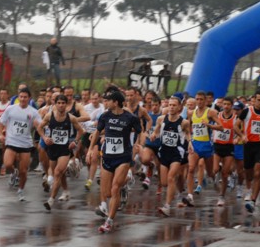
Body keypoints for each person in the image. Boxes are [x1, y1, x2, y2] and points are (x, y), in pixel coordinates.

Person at [88, 90, 143, 233]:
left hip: (123, 157)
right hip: (107, 156)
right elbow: (96, 132)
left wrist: (138, 145)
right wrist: (90, 149)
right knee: (106, 193)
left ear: (116, 102)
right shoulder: (104, 116)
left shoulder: (130, 117)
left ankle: (109, 221)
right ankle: (126, 181)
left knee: (114, 189)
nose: (105, 103)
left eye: (108, 100)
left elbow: (139, 131)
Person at [40, 94, 84, 210]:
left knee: (58, 172)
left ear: (66, 105)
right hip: (53, 148)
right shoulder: (50, 116)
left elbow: (81, 131)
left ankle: (51, 200)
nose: (60, 105)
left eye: (63, 103)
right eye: (58, 103)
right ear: (55, 104)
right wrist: (45, 138)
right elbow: (39, 127)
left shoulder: (71, 118)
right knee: (58, 173)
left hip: (64, 150)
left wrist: (75, 141)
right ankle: (66, 191)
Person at [0, 87, 42, 201]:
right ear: (18, 97)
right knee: (7, 164)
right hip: (12, 141)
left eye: (25, 97)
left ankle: (21, 190)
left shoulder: (33, 112)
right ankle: (14, 172)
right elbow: (1, 122)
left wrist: (40, 127)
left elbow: (41, 125)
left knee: (24, 171)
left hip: (25, 144)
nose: (23, 99)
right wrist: (1, 135)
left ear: (29, 98)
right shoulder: (11, 109)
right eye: (21, 97)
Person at [152, 96, 191, 217]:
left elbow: (188, 134)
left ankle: (167, 206)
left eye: (174, 105)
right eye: (170, 105)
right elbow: (157, 130)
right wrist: (154, 134)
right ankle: (178, 193)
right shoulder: (161, 119)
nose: (171, 107)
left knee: (170, 178)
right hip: (164, 152)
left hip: (176, 153)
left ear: (179, 107)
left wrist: (190, 143)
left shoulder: (184, 122)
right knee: (164, 182)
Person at [239, 90, 260, 214]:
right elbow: (236, 125)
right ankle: (249, 187)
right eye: (259, 100)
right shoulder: (247, 111)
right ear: (255, 100)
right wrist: (242, 135)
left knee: (257, 173)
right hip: (248, 145)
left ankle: (253, 201)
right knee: (248, 173)